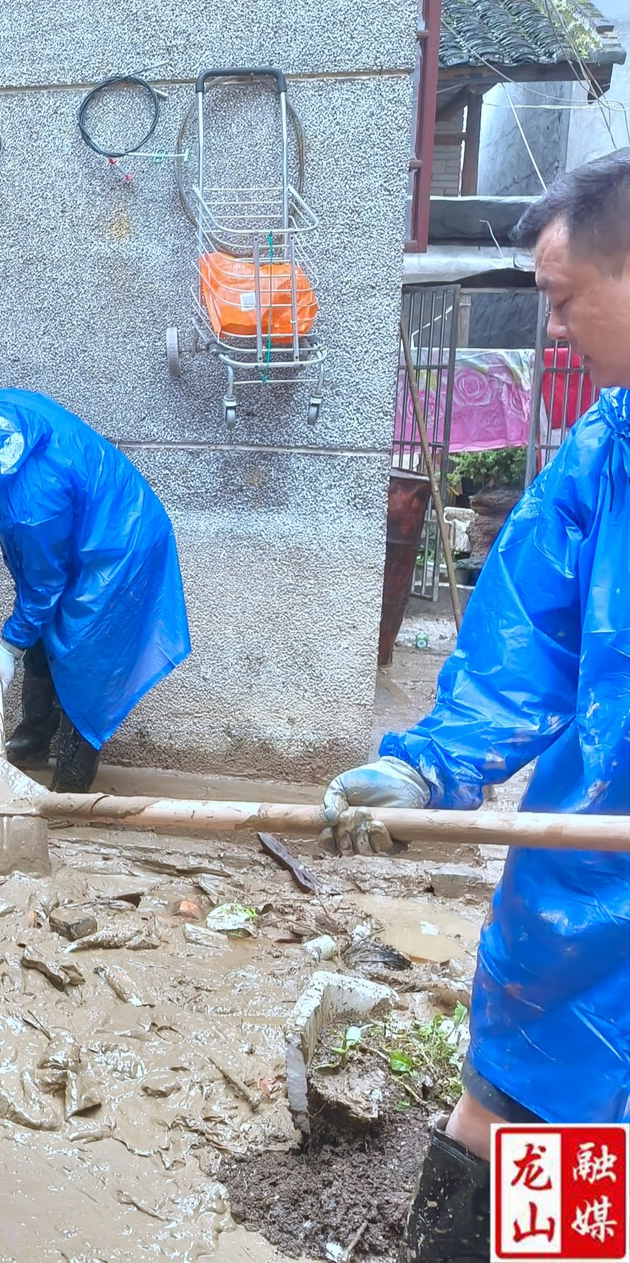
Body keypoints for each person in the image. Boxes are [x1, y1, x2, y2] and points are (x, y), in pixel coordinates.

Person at [325, 149, 630, 1262]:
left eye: (561, 302)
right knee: (534, 1112)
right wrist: (428, 767)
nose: (556, 335)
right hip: (591, 869)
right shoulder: (606, 455)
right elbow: (523, 647)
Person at [0, 389, 190, 791]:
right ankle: (32, 740)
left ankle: (69, 789)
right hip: (90, 514)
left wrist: (8, 647)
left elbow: (43, 589)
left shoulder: (31, 504)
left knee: (81, 657)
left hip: (122, 545)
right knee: (42, 635)